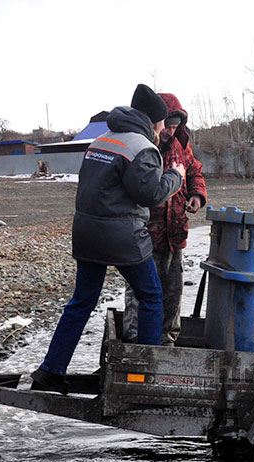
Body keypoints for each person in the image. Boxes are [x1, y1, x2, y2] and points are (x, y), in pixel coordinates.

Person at [31, 84, 185, 393]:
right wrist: (176, 175)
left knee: (81, 302)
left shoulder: (101, 140)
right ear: (153, 122)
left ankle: (50, 370)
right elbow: (150, 194)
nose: (161, 130)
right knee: (152, 296)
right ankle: (144, 377)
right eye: (161, 124)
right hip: (122, 237)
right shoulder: (142, 147)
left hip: (86, 233)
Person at [122, 93, 208, 345]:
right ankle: (134, 343)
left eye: (175, 126)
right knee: (140, 293)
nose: (170, 131)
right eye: (167, 125)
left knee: (173, 293)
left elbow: (195, 171)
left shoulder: (183, 144)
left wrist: (197, 194)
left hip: (175, 233)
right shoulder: (142, 146)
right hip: (144, 235)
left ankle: (168, 343)